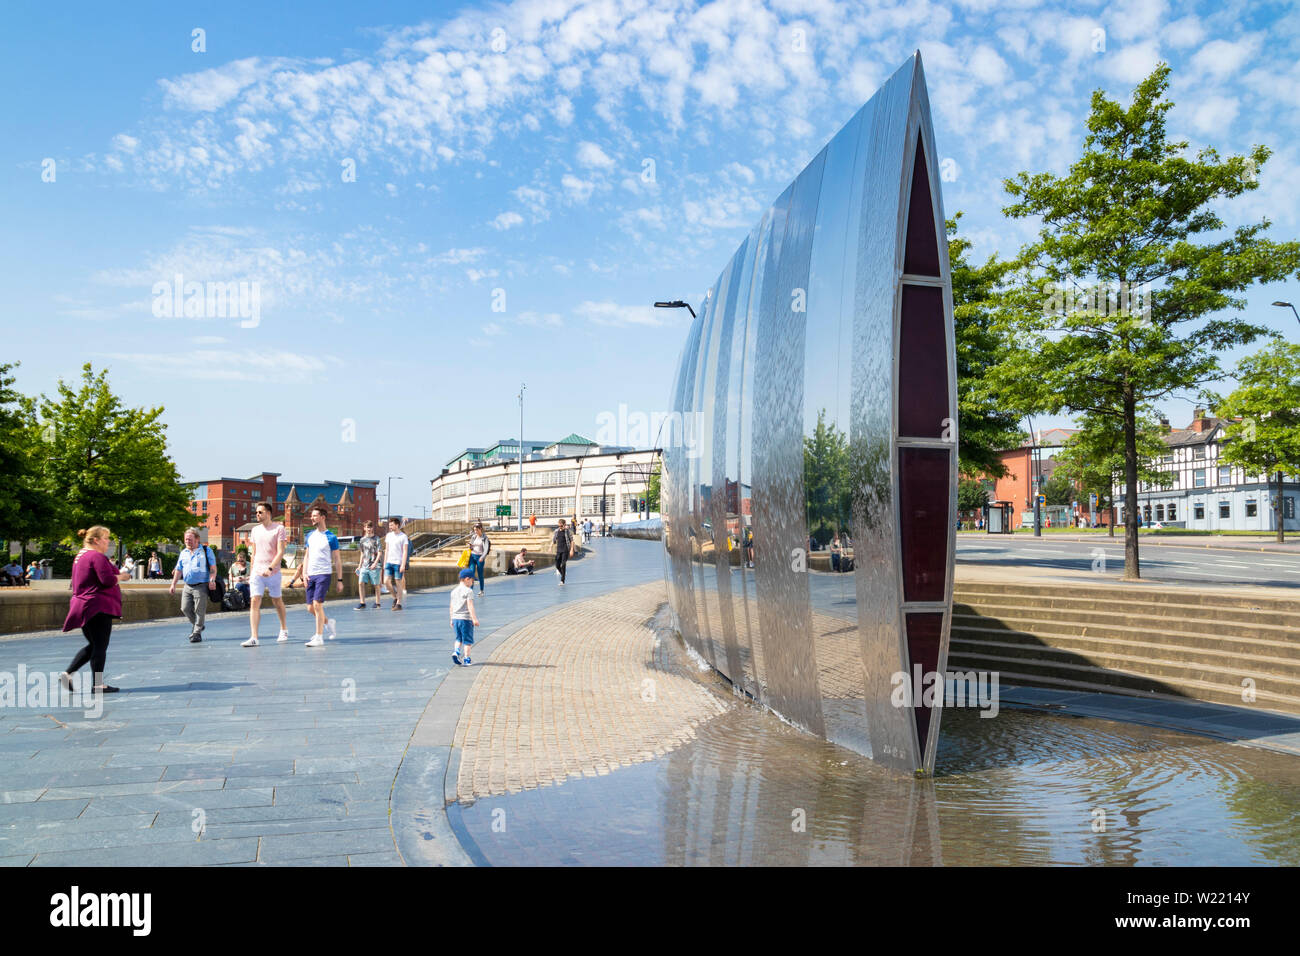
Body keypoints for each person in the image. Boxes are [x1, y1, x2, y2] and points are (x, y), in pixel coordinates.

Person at [60, 526, 132, 694]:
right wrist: (122, 576)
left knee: (94, 645)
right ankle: (97, 685)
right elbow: (107, 580)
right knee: (100, 646)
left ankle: (68, 674)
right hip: (97, 606)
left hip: (83, 605)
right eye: (106, 538)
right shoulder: (96, 556)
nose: (108, 542)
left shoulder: (81, 555)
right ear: (96, 540)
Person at [287, 505, 342, 647]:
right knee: (310, 608)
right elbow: (307, 556)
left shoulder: (331, 537)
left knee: (317, 604)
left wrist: (340, 580)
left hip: (323, 573)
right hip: (310, 574)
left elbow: (337, 559)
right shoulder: (309, 535)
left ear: (323, 517)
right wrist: (304, 573)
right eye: (311, 516)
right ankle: (328, 622)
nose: (312, 518)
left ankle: (319, 637)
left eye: (315, 515)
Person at [242, 501, 291, 647]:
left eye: (260, 512)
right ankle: (254, 637)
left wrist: (270, 569)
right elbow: (254, 553)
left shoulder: (279, 528)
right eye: (256, 512)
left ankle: (283, 629)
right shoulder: (255, 530)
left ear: (268, 513)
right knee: (255, 602)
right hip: (257, 572)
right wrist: (252, 572)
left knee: (277, 601)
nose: (257, 514)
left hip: (273, 572)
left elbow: (281, 551)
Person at [169, 528, 217, 643]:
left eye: (190, 539)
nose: (187, 541)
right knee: (184, 608)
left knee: (199, 610)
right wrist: (173, 584)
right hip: (187, 585)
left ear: (197, 539)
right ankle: (198, 625)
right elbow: (178, 570)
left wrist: (212, 580)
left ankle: (197, 633)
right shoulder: (183, 553)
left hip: (201, 585)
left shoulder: (206, 550)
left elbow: (213, 568)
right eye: (186, 539)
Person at [450, 567, 480, 667]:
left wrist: (451, 619)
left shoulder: (453, 591)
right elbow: (470, 606)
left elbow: (451, 606)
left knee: (458, 638)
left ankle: (456, 652)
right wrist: (474, 619)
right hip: (465, 619)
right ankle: (467, 659)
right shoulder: (469, 591)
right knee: (467, 641)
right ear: (467, 579)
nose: (472, 583)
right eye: (472, 580)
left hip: (455, 618)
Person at [354, 520, 383, 610]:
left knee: (376, 584)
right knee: (361, 583)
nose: (368, 529)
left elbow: (380, 552)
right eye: (367, 527)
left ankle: (377, 603)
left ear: (372, 528)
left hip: (375, 565)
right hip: (365, 565)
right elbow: (362, 553)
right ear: (364, 528)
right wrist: (359, 565)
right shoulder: (362, 540)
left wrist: (375, 563)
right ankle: (362, 603)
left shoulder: (376, 538)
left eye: (370, 527)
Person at [383, 517, 409, 611]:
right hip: (389, 562)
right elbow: (387, 550)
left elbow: (405, 551)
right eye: (389, 525)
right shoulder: (388, 536)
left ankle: (398, 604)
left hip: (398, 562)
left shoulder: (403, 536)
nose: (390, 526)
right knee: (386, 581)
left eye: (391, 525)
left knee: (398, 582)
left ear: (397, 525)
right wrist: (384, 562)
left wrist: (403, 564)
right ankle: (395, 597)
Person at [468, 522, 491, 595]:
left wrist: (482, 557)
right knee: (471, 573)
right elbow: (471, 547)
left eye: (477, 530)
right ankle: (470, 591)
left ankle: (481, 590)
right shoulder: (474, 537)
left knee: (480, 574)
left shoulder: (485, 538)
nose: (475, 532)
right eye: (474, 530)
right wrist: (470, 547)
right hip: (472, 556)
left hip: (480, 557)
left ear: (480, 529)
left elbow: (486, 549)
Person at [552, 518, 574, 585]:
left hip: (565, 550)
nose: (560, 527)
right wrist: (550, 547)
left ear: (564, 525)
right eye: (559, 526)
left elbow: (572, 541)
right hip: (559, 550)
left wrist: (571, 550)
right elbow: (554, 540)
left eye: (561, 526)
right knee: (557, 565)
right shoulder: (556, 531)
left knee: (563, 564)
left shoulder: (567, 531)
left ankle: (562, 580)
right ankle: (563, 574)